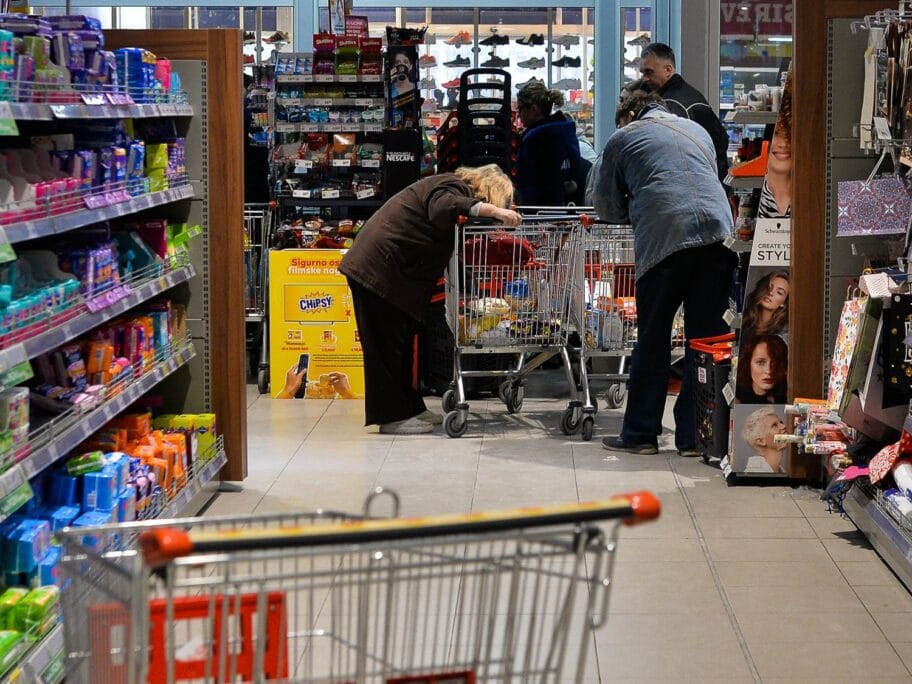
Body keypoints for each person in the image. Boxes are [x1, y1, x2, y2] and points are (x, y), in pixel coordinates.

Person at [589, 90, 736, 456]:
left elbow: (605, 204)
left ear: (631, 114)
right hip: (720, 236)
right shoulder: (695, 130)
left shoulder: (623, 137)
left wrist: (637, 208)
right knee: (706, 343)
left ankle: (640, 435)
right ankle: (696, 437)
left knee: (653, 338)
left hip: (665, 241)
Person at [339, 165, 521, 435]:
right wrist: (493, 211)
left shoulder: (445, 187)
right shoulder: (451, 188)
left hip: (389, 274)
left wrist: (478, 294)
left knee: (402, 344)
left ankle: (410, 408)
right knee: (386, 347)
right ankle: (391, 418)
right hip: (377, 271)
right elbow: (443, 207)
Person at [638, 43, 730, 181]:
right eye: (642, 73)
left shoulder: (672, 107)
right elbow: (722, 140)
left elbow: (669, 156)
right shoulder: (690, 95)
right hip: (710, 183)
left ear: (668, 70)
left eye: (649, 72)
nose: (644, 78)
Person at [515, 82, 589, 206]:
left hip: (538, 214)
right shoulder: (565, 133)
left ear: (534, 109)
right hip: (567, 209)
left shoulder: (534, 140)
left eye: (520, 108)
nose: (518, 114)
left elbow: (529, 186)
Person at [758, 78, 793, 218]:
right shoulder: (760, 199)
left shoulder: (815, 194)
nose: (783, 144)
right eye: (777, 134)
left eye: (789, 135)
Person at [735, 334, 788, 404]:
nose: (769, 371)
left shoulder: (789, 397)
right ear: (748, 364)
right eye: (760, 362)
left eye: (774, 363)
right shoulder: (736, 398)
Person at [741, 270, 790, 343]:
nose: (770, 293)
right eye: (769, 287)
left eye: (779, 292)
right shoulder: (744, 321)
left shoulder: (782, 336)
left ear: (784, 303)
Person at [740, 407, 788, 473]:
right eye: (774, 425)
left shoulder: (779, 471)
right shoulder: (754, 476)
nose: (783, 426)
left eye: (781, 422)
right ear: (761, 441)